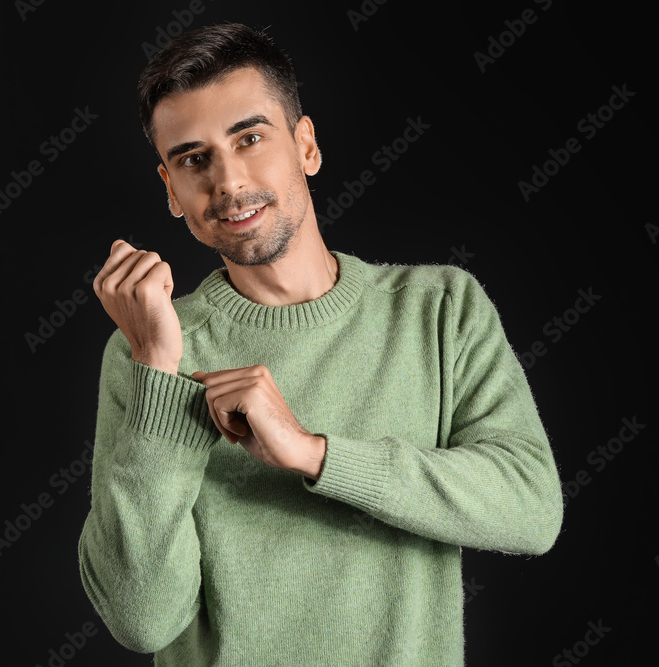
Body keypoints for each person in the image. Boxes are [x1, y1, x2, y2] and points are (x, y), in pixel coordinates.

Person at [77, 22, 563, 666]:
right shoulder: (147, 351)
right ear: (170, 188)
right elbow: (143, 619)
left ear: (306, 146)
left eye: (250, 138)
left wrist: (314, 454)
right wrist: (158, 371)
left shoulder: (439, 308)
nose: (227, 181)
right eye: (193, 159)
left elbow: (530, 509)